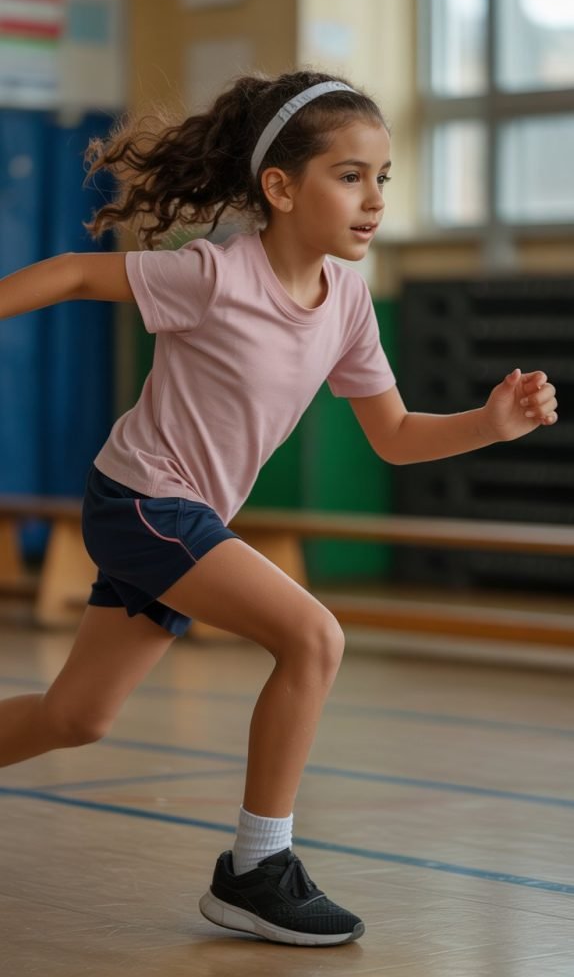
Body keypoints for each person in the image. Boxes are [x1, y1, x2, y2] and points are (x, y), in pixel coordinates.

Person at [0, 69, 558, 948]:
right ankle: (256, 869)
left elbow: (397, 435)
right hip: (144, 499)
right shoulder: (215, 276)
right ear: (281, 187)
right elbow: (74, 273)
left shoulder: (347, 307)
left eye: (384, 178)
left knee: (77, 717)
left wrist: (489, 424)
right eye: (350, 176)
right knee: (314, 636)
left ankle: (253, 870)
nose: (373, 199)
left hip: (187, 515)